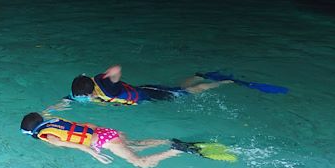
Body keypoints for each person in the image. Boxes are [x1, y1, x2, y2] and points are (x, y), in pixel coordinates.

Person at [20, 112, 211, 168]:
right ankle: (169, 140)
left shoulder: (47, 136)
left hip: (105, 142)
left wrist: (92, 152)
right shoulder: (56, 121)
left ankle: (178, 149)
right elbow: (87, 124)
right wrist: (108, 133)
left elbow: (64, 143)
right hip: (107, 132)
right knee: (134, 144)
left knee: (141, 163)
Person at [69, 64, 232, 105]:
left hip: (148, 93)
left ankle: (221, 82)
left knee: (185, 93)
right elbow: (71, 97)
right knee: (179, 88)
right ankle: (198, 75)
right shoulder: (93, 83)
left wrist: (107, 74)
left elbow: (117, 68)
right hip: (143, 91)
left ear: (90, 93)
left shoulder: (109, 88)